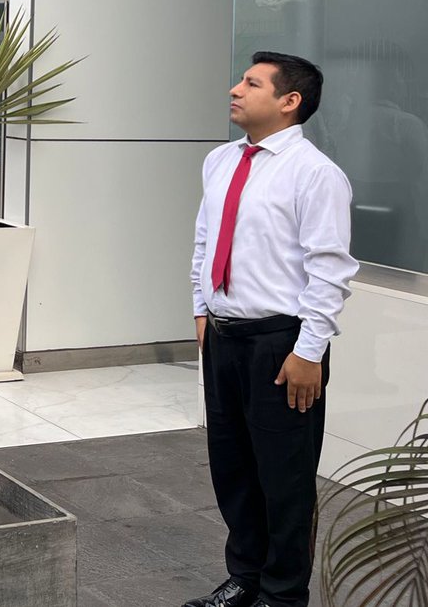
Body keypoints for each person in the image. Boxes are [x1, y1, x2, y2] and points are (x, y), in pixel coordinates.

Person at [186, 52, 358, 607]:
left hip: (282, 345)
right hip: (225, 336)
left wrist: (309, 351)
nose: (235, 89)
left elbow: (329, 269)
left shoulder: (315, 173)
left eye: (251, 83)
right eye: (240, 79)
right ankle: (247, 577)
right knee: (232, 465)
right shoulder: (220, 161)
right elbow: (205, 242)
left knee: (284, 478)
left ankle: (283, 595)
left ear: (290, 102)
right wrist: (201, 310)